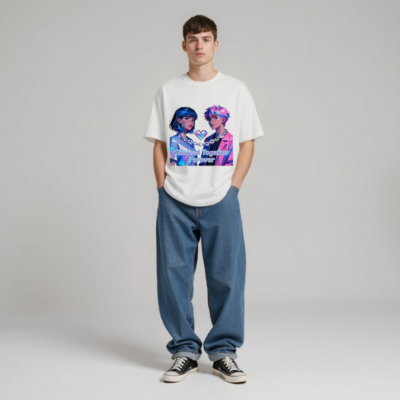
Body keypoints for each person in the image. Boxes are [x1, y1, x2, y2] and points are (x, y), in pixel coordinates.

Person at [143, 15, 265, 384]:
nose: (199, 45)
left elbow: (247, 142)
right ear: (184, 45)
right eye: (193, 39)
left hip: (221, 198)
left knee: (227, 276)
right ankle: (184, 351)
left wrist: (234, 187)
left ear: (216, 45)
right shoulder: (168, 91)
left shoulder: (236, 90)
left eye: (206, 38)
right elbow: (159, 144)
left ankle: (224, 352)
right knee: (173, 276)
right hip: (175, 200)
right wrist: (162, 188)